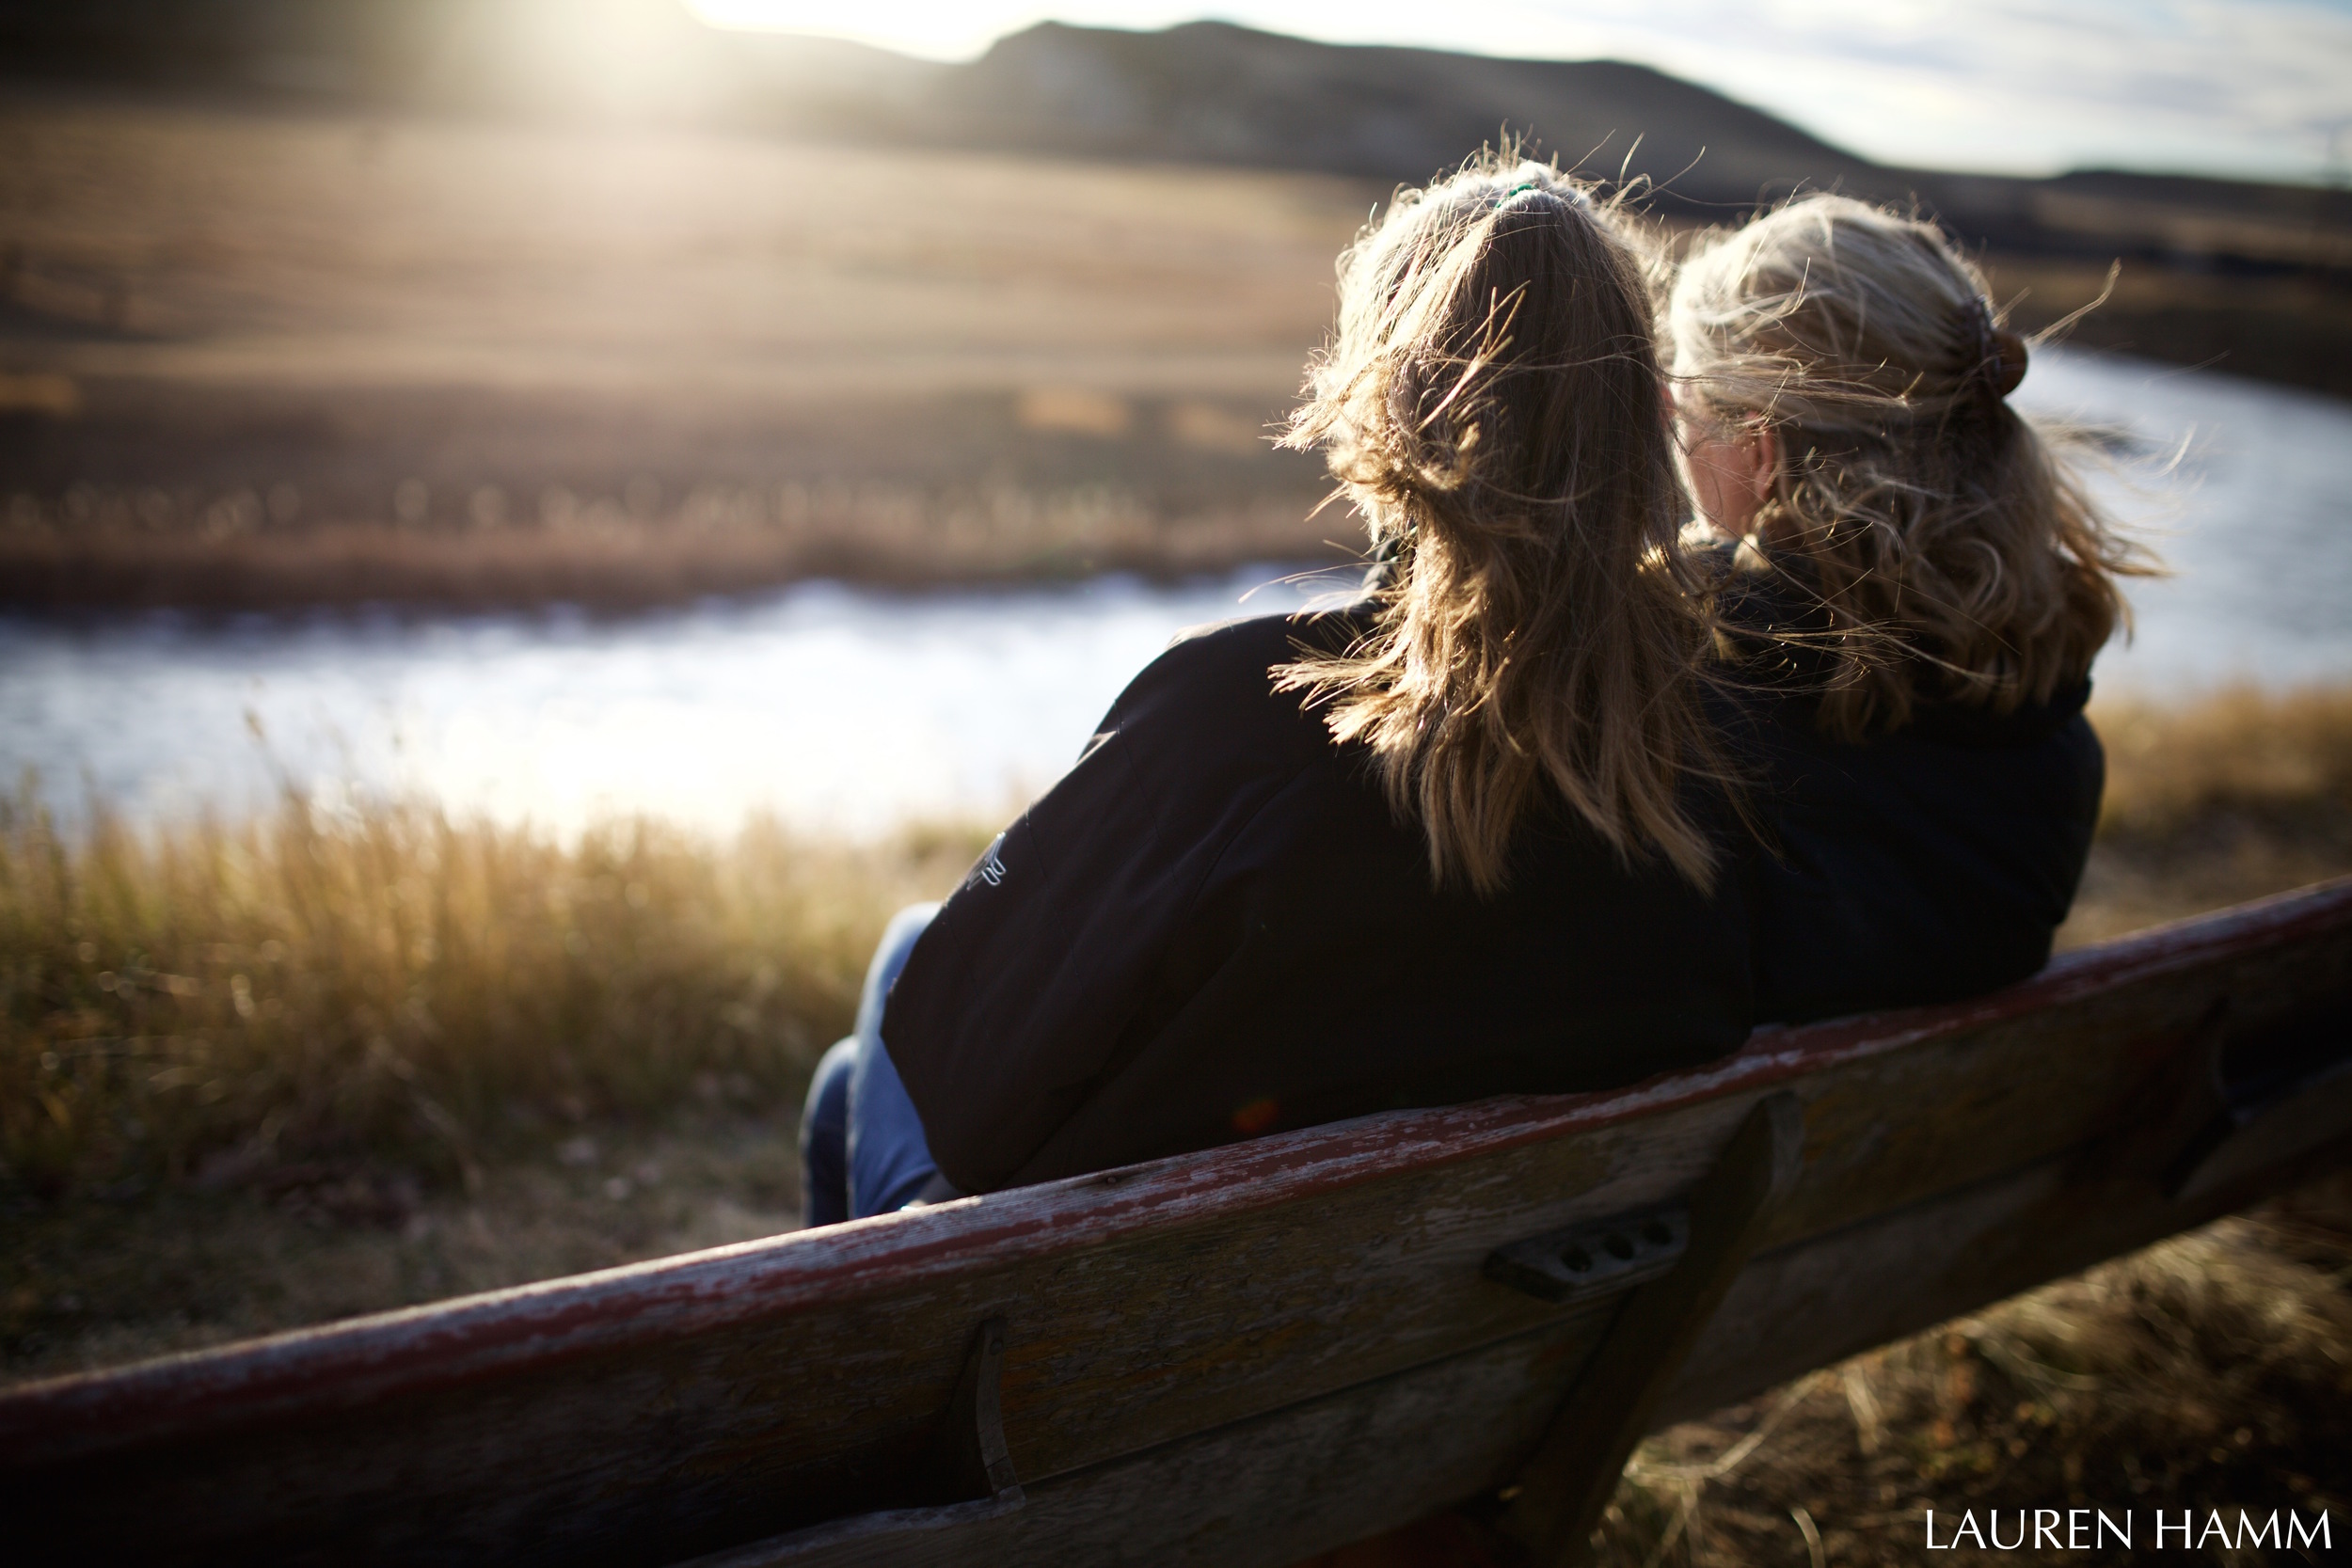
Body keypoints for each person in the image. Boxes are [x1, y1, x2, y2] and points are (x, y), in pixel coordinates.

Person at [803, 156, 1756, 1217]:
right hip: (1441, 1327)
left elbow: (974, 1113)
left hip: (1124, 1332)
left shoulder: (1244, 707)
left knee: (875, 1022)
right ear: (1642, 413)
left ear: (1388, 398)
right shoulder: (1706, 736)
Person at [1665, 194, 2153, 1022]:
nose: (1677, 446)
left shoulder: (1687, 719)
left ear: (1758, 447)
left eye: (1687, 414)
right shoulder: (2059, 743)